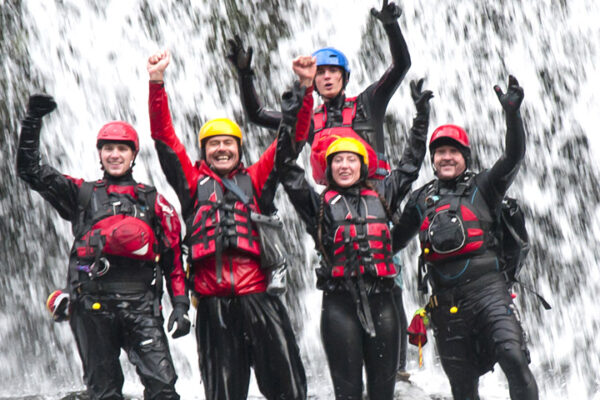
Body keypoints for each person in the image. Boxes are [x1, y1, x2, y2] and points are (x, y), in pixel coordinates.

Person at [146, 49, 313, 400]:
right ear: (204, 150)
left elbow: (292, 140)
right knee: (222, 393)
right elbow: (164, 139)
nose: (222, 149)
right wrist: (157, 83)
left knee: (290, 391)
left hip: (260, 299)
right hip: (213, 305)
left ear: (239, 148)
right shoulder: (191, 184)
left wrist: (306, 88)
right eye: (214, 144)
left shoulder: (256, 179)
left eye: (228, 143)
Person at [17, 98, 190, 400]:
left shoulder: (153, 202)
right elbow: (30, 171)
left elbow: (173, 259)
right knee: (104, 393)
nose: (114, 154)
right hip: (92, 308)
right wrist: (32, 120)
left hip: (141, 308)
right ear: (99, 153)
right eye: (108, 148)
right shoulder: (81, 194)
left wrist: (180, 305)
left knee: (163, 389)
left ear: (133, 154)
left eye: (122, 148)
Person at [275, 78, 431, 399]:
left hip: (383, 302)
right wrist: (288, 125)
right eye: (337, 160)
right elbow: (288, 171)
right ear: (328, 167)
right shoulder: (316, 205)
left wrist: (421, 116)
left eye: (351, 159)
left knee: (382, 392)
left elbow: (410, 165)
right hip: (338, 305)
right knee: (347, 392)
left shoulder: (384, 192)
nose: (345, 165)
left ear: (363, 164)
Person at [392, 75, 539, 400]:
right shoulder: (420, 199)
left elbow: (513, 156)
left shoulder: (485, 186)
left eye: (453, 152)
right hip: (446, 305)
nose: (445, 157)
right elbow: (394, 242)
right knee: (462, 387)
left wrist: (512, 115)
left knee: (514, 359)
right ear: (432, 159)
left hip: (490, 294)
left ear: (465, 157)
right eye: (439, 152)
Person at [227, 0, 411, 184]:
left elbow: (401, 66)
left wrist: (391, 25)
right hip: (336, 205)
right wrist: (244, 75)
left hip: (378, 197)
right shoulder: (309, 122)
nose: (327, 77)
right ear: (313, 82)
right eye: (320, 73)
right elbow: (257, 115)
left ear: (344, 78)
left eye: (333, 71)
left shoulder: (369, 103)